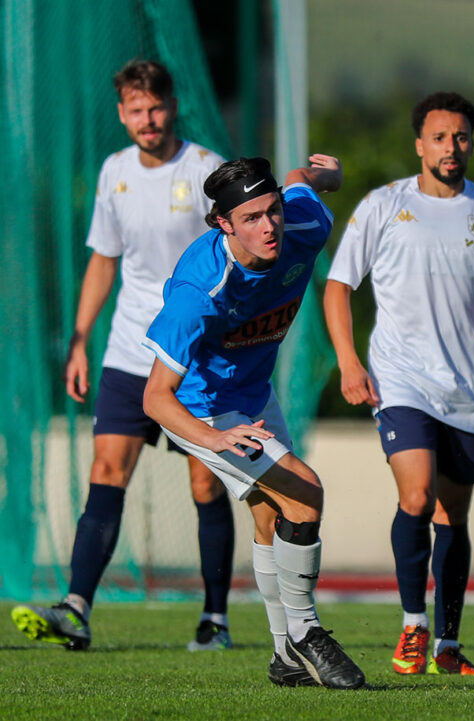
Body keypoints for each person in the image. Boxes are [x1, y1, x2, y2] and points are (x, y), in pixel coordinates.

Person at [10, 59, 235, 652]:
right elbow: (104, 261)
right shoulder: (114, 172)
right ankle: (77, 608)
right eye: (135, 110)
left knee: (206, 486)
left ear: (172, 105)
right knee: (106, 474)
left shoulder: (206, 168)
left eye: (155, 107)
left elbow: (233, 258)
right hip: (130, 353)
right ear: (121, 114)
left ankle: (215, 619)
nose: (147, 119)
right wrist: (80, 339)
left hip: (198, 358)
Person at [323, 91, 474, 676]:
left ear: (472, 142)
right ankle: (412, 628)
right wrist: (348, 362)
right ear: (420, 144)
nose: (451, 146)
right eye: (440, 137)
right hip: (401, 377)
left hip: (466, 387)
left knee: (453, 518)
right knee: (415, 497)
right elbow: (339, 285)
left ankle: (447, 644)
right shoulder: (384, 205)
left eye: (461, 136)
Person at [141, 153, 365, 689]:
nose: (268, 226)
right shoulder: (198, 292)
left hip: (253, 393)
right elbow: (155, 398)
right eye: (250, 218)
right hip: (203, 407)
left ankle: (284, 658)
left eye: (272, 211)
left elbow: (299, 183)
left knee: (271, 516)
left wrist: (325, 177)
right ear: (223, 223)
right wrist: (216, 439)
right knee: (306, 493)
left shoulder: (304, 223)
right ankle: (306, 633)